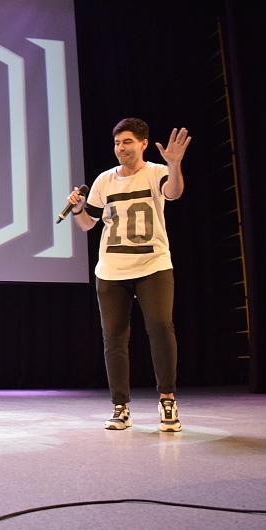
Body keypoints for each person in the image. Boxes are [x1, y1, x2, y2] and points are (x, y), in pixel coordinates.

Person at [66, 117, 191, 432]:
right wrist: (79, 209)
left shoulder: (157, 172)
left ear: (143, 143)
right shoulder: (104, 180)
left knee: (160, 327)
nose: (121, 148)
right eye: (117, 143)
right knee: (114, 338)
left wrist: (174, 164)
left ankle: (167, 400)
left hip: (153, 264)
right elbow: (88, 224)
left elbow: (174, 193)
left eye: (128, 142)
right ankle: (120, 407)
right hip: (111, 269)